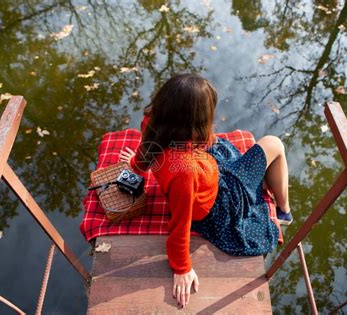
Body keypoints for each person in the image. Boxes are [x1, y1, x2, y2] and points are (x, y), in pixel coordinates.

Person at [119, 74, 292, 308]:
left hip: (201, 176)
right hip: (221, 202)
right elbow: (180, 225)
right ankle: (284, 210)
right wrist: (182, 268)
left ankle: (265, 186)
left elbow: (146, 151)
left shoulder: (152, 123)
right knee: (274, 143)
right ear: (196, 121)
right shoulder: (185, 171)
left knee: (224, 149)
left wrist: (135, 166)